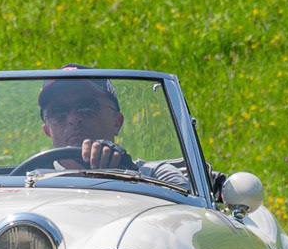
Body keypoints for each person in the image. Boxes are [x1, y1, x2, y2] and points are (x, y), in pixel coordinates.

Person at [37, 67, 191, 190]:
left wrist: (125, 174)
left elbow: (185, 216)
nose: (73, 119)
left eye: (87, 107)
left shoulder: (156, 176)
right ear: (47, 131)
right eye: (58, 112)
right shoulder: (30, 184)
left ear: (117, 122)